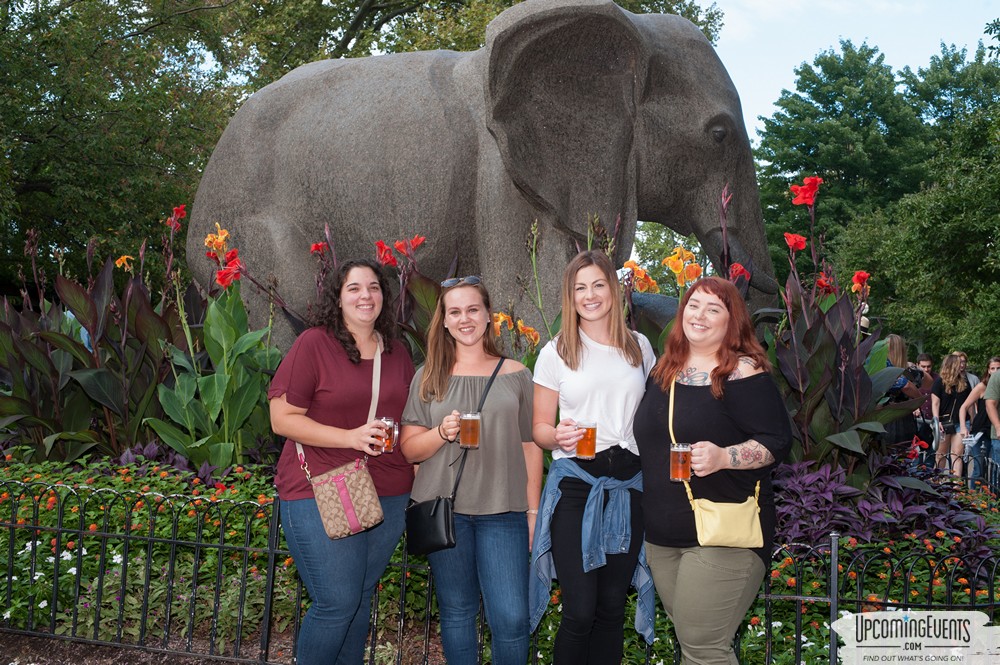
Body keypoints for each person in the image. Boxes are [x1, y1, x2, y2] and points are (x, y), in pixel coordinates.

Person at [633, 276, 792, 665]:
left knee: (704, 648)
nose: (699, 315)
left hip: (724, 535)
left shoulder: (743, 373)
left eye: (713, 308)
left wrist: (725, 457)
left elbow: (777, 442)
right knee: (694, 644)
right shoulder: (662, 372)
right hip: (663, 538)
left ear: (731, 322)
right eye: (693, 304)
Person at [268, 259, 416, 665]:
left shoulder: (398, 353)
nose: (365, 295)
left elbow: (410, 419)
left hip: (389, 491)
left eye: (373, 287)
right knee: (337, 603)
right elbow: (281, 419)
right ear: (338, 296)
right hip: (321, 487)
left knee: (358, 600)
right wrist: (350, 438)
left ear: (385, 297)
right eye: (354, 288)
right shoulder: (314, 344)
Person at [400, 275, 541, 665]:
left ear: (488, 315)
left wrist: (533, 512)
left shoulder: (516, 374)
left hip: (504, 512)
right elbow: (410, 450)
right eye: (455, 311)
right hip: (445, 511)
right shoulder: (427, 375)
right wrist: (441, 433)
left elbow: (531, 447)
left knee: (511, 619)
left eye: (473, 309)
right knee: (458, 613)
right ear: (443, 321)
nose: (465, 319)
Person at [530, 250, 657, 664]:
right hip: (577, 486)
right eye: (579, 287)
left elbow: (654, 415)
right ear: (570, 296)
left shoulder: (639, 347)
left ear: (614, 289)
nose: (590, 295)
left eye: (598, 284)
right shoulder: (557, 351)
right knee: (579, 611)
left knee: (609, 610)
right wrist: (557, 434)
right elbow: (539, 429)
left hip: (628, 488)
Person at [958, 357, 1000, 483]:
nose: (995, 371)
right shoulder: (982, 386)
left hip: (992, 431)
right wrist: (963, 426)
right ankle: (973, 497)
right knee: (979, 468)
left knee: (994, 467)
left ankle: (990, 496)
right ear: (988, 370)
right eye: (993, 368)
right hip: (981, 429)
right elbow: (964, 407)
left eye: (998, 368)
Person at [931, 353, 972, 476]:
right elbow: (935, 403)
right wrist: (936, 421)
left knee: (957, 455)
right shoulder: (939, 382)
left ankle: (956, 487)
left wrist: (972, 422)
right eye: (958, 364)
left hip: (961, 422)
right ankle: (937, 483)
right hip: (944, 422)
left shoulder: (964, 382)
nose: (962, 366)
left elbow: (968, 405)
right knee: (940, 455)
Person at [882, 334, 924, 447]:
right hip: (905, 419)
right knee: (903, 457)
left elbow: (905, 386)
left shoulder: (880, 371)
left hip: (884, 417)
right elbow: (929, 380)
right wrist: (920, 399)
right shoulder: (912, 372)